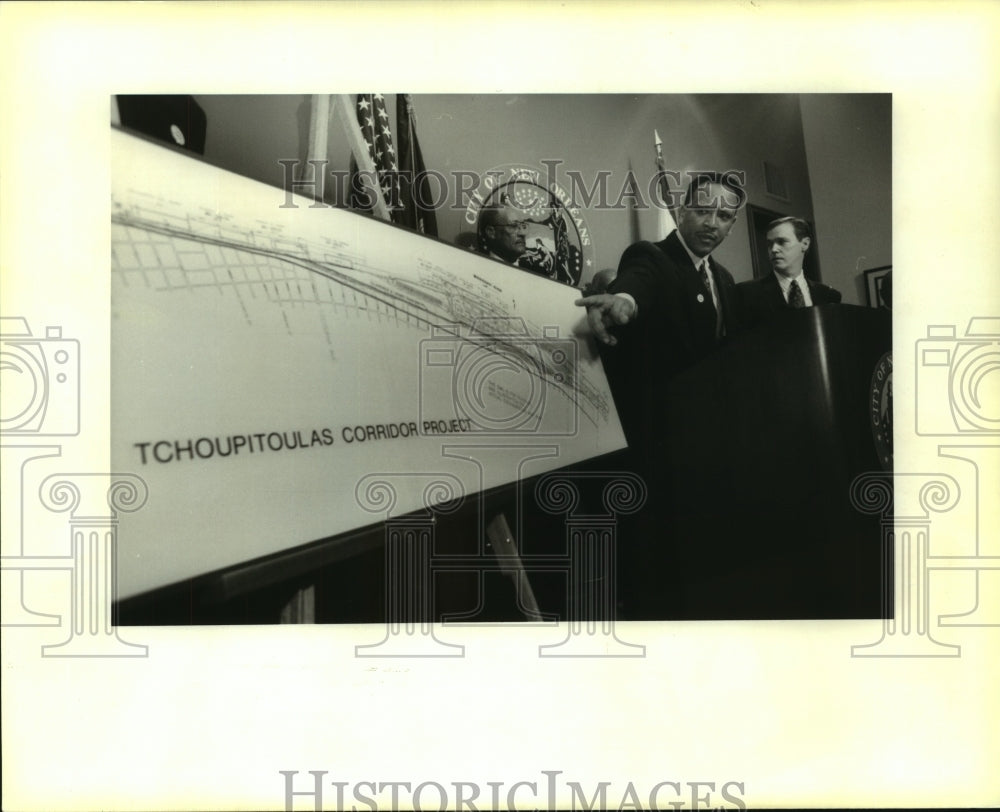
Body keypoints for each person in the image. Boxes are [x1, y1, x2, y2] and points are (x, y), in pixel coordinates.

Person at [574, 172, 745, 450]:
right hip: (659, 435)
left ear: (732, 224)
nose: (712, 224)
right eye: (702, 211)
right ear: (681, 211)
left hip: (711, 429)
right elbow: (638, 281)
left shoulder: (724, 279)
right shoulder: (652, 256)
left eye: (723, 216)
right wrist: (624, 300)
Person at [738, 216, 841, 328]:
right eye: (769, 244)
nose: (773, 249)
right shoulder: (747, 293)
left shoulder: (828, 295)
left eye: (781, 242)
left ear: (805, 244)